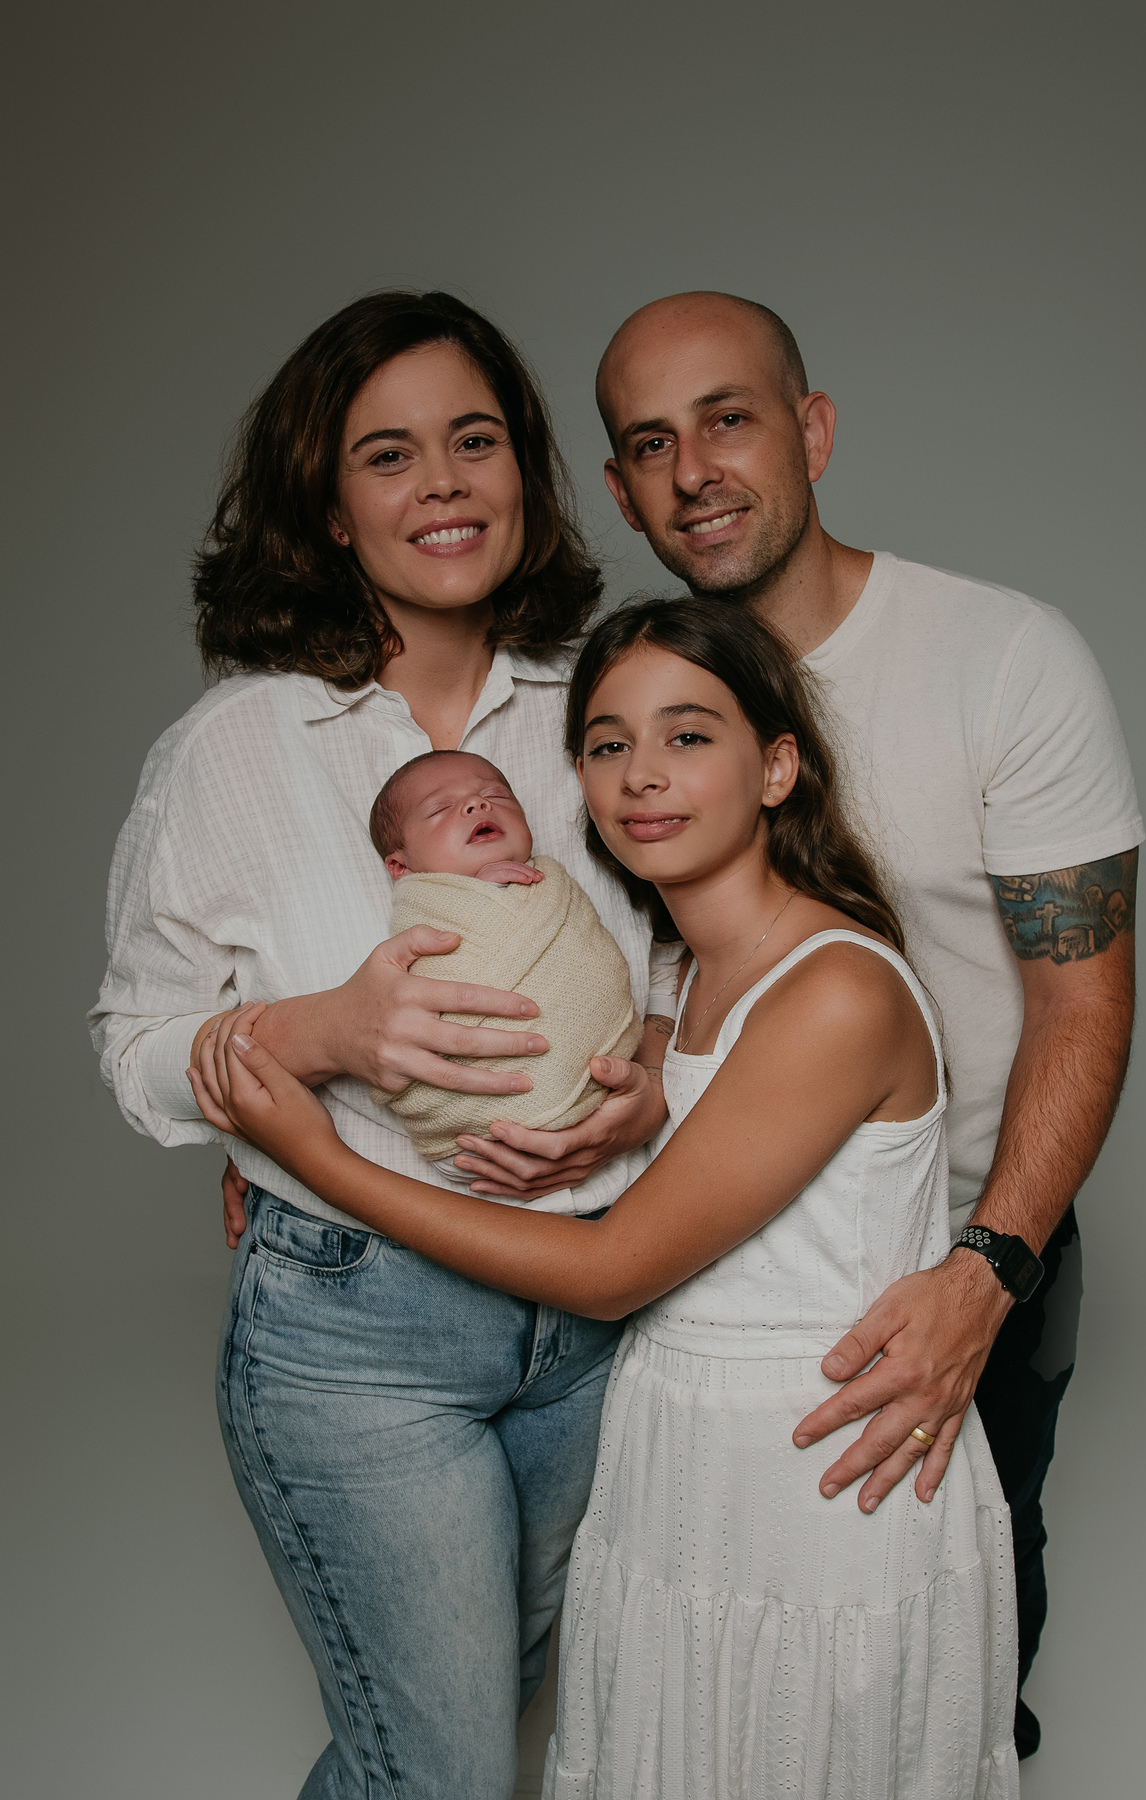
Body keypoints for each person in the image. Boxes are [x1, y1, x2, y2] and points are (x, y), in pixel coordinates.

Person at [188, 597, 1021, 1800]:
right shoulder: (687, 972)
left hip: (821, 1481)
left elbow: (613, 1266)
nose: (643, 776)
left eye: (689, 736)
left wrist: (314, 1159)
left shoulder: (834, 991)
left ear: (777, 765)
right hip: (678, 1471)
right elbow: (617, 1060)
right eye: (608, 743)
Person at [88, 290, 681, 1800]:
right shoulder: (238, 747)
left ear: (524, 478)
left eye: (474, 442)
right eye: (390, 454)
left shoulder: (599, 714)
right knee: (443, 1768)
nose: (443, 485)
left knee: (488, 1719)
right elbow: (136, 1044)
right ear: (331, 510)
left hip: (592, 1318)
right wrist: (316, 1034)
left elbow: (689, 950)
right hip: (364, 1333)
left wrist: (652, 1075)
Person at [593, 291, 1143, 1758]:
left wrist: (990, 1272)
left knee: (939, 1693)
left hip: (961, 1264)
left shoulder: (1005, 658)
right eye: (651, 443)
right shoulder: (638, 706)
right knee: (711, 1707)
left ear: (814, 431)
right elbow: (647, 994)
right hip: (709, 1304)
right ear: (618, 488)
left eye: (730, 418)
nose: (694, 469)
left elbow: (1083, 999)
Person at [365, 748, 643, 1171]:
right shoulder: (427, 906)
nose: (478, 804)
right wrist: (482, 894)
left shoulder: (550, 885)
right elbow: (427, 984)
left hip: (599, 1095)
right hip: (469, 1135)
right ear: (401, 866)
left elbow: (590, 957)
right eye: (441, 808)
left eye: (496, 795)